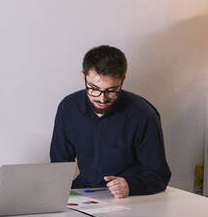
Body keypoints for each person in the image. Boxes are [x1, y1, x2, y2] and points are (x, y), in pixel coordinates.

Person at [50, 45, 171, 198]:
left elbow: (159, 176)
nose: (102, 98)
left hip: (127, 198)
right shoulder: (68, 108)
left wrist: (130, 186)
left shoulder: (143, 115)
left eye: (111, 90)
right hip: (84, 192)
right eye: (94, 88)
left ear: (123, 80)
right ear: (83, 77)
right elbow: (59, 166)